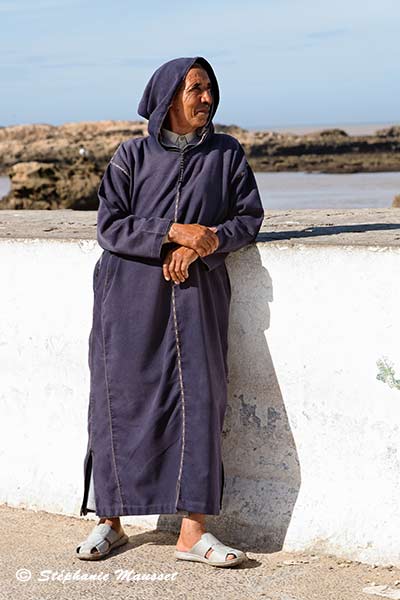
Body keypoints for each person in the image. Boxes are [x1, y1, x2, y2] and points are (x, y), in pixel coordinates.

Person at [75, 56, 264, 568]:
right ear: (167, 98)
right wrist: (172, 231)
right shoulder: (129, 156)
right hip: (129, 301)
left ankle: (193, 534)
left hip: (197, 297)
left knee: (200, 402)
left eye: (210, 89)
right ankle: (109, 522)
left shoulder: (226, 155)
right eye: (196, 90)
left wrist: (206, 242)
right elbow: (110, 227)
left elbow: (249, 216)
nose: (207, 98)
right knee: (119, 402)